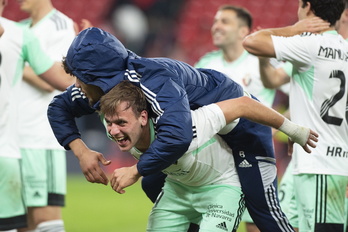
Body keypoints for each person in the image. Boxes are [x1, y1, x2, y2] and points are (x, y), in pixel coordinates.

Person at [48, 27, 312, 232]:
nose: (77, 87)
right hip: (205, 133)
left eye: (80, 79)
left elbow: (178, 134)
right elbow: (58, 107)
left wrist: (135, 170)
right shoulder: (108, 89)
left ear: (97, 77)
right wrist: (80, 150)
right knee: (153, 183)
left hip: (242, 124)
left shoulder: (153, 80)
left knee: (261, 209)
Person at [98, 80, 318, 231]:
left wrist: (293, 130)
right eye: (109, 124)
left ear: (143, 117)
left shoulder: (188, 125)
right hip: (178, 190)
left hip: (221, 188)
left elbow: (244, 104)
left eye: (121, 123)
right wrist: (82, 150)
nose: (114, 131)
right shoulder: (117, 130)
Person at [243, 0, 348, 231]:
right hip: (332, 160)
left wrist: (294, 29)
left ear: (307, 7)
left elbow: (251, 41)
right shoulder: (344, 49)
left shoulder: (310, 44)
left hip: (320, 164)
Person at [0, 0, 74, 230]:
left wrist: (17, 62)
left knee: (43, 219)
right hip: (13, 140)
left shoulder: (60, 25)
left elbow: (59, 80)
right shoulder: (18, 29)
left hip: (38, 137)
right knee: (21, 223)